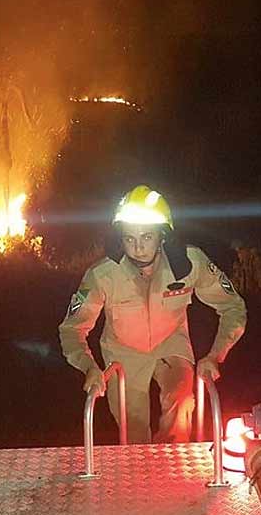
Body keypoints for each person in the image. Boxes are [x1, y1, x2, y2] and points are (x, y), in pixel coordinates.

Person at [58, 185, 247, 443]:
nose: (138, 247)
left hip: (172, 344)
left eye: (147, 237)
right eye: (129, 238)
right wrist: (88, 367)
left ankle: (173, 464)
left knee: (181, 400)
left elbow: (233, 307)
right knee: (132, 430)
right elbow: (72, 329)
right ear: (120, 237)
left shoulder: (189, 263)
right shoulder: (102, 275)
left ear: (163, 235)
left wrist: (215, 355)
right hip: (122, 352)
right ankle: (139, 473)